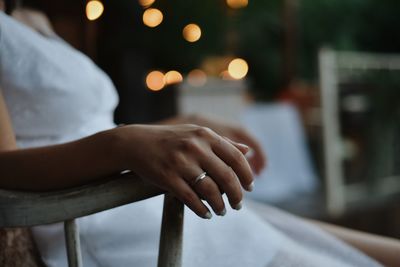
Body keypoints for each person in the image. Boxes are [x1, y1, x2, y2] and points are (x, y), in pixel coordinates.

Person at [0, 1, 399, 266]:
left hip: (151, 204)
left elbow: (75, 129)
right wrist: (122, 144)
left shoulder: (30, 17)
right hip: (111, 225)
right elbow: (5, 168)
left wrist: (175, 125)